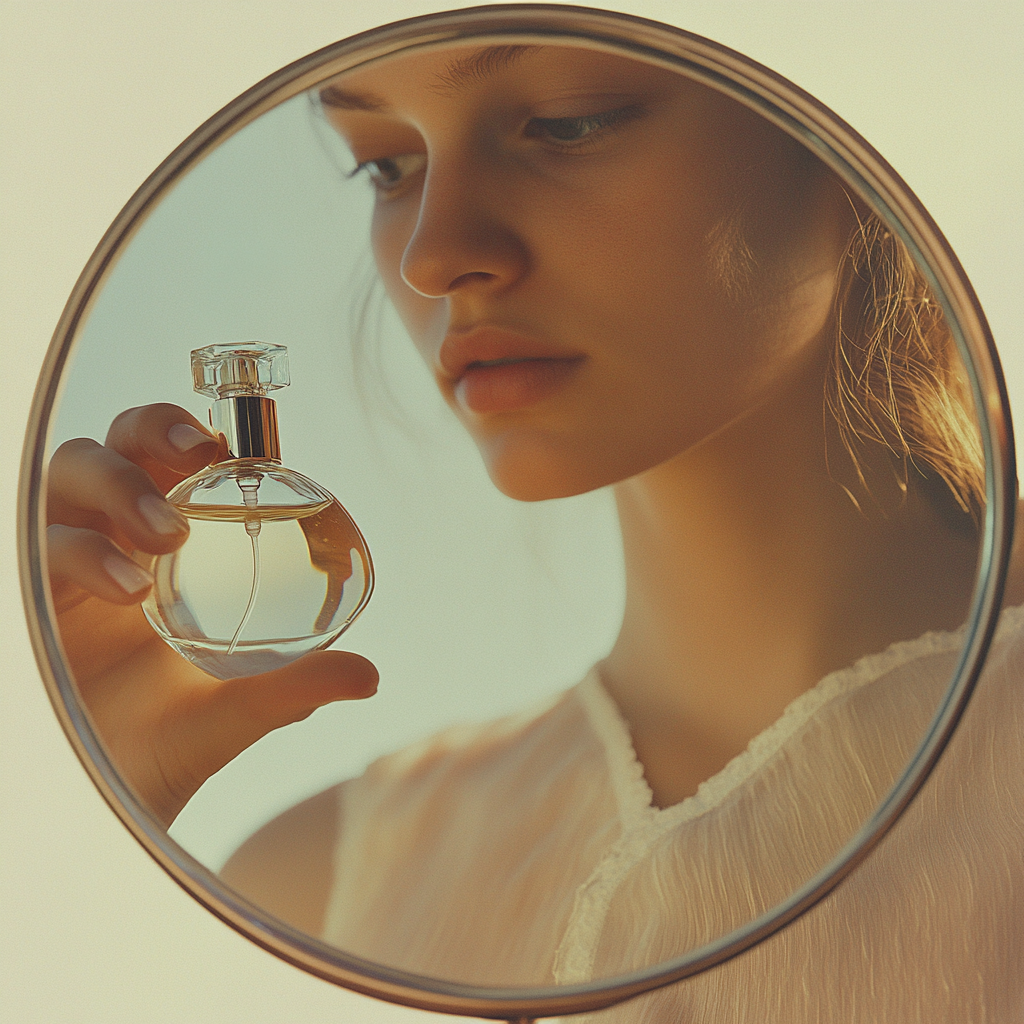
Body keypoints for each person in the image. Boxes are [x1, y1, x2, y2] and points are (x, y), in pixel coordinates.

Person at [46, 43, 1021, 1021]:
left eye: (568, 121)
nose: (432, 256)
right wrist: (81, 816)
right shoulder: (319, 891)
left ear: (851, 129)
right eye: (385, 164)